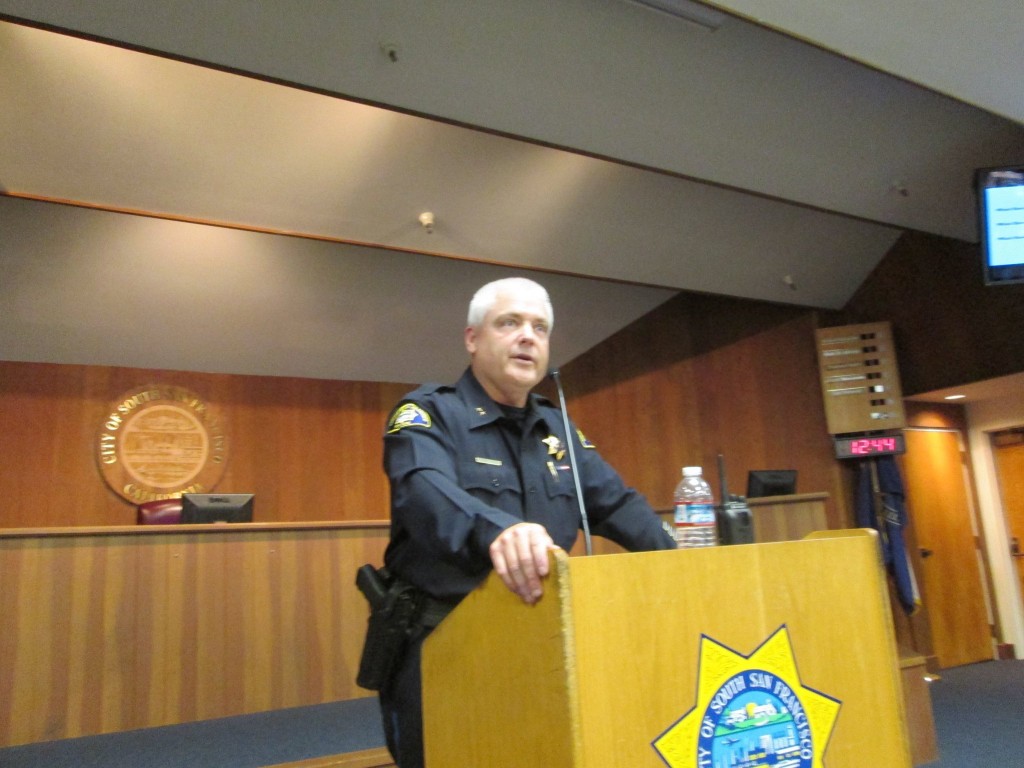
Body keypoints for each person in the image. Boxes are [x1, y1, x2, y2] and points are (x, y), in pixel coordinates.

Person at [375, 276, 675, 768]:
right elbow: (425, 494)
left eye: (540, 327)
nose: (527, 336)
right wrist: (500, 532)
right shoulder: (427, 414)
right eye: (509, 323)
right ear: (473, 339)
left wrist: (685, 559)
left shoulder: (557, 428)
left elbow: (617, 504)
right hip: (446, 649)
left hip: (544, 646)